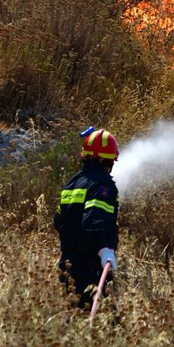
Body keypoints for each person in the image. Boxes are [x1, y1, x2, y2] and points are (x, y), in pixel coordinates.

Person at [54, 127, 119, 309]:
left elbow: (58, 221)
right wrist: (105, 250)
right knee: (103, 325)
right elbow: (95, 221)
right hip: (89, 269)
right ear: (106, 160)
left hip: (67, 266)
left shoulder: (73, 183)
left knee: (73, 322)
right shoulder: (102, 184)